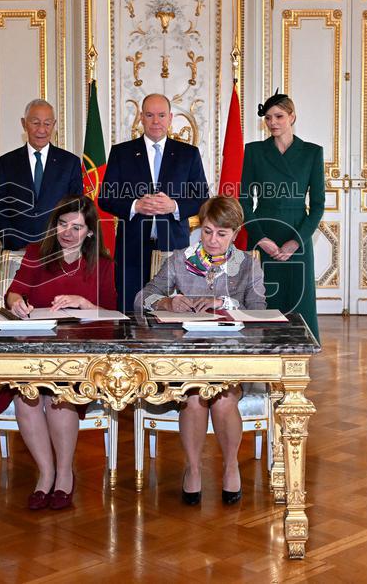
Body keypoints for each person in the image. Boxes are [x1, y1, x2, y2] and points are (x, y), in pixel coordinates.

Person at [136, 196, 266, 505]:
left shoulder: (247, 265)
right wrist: (166, 302)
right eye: (207, 231)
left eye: (222, 233)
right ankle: (193, 469)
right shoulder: (182, 259)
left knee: (221, 401)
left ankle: (231, 466)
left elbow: (259, 311)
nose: (213, 240)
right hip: (187, 358)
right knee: (194, 400)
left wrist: (226, 304)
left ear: (235, 233)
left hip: (231, 357)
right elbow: (142, 297)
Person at [0, 195, 117, 510]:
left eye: (77, 227)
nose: (67, 232)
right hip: (34, 348)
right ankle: (45, 474)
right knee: (27, 395)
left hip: (80, 354)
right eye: (63, 224)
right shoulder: (37, 254)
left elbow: (114, 316)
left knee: (57, 395)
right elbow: (14, 292)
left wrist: (86, 304)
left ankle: (64, 474)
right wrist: (15, 303)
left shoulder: (103, 264)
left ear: (90, 232)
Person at [98, 93, 209, 311]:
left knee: (174, 312)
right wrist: (134, 206)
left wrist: (174, 206)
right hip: (132, 248)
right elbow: (106, 198)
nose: (155, 121)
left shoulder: (189, 154)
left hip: (174, 248)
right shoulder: (121, 153)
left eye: (161, 115)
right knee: (131, 311)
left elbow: (201, 197)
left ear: (170, 117)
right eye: (149, 115)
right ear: (141, 117)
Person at [239, 91, 324, 340]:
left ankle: (301, 344)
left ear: (292, 117)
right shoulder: (254, 151)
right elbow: (244, 199)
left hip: (298, 233)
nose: (273, 122)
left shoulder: (312, 152)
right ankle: (264, 344)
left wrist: (296, 240)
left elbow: (318, 205)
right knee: (265, 293)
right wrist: (260, 237)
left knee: (299, 294)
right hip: (265, 232)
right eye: (268, 118)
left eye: (279, 116)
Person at [0, 99, 83, 251]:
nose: (42, 130)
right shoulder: (7, 162)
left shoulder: (70, 162)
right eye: (35, 123)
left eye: (47, 124)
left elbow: (76, 207)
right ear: (24, 123)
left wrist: (64, 240)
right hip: (18, 249)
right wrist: (13, 241)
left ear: (53, 125)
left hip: (58, 248)